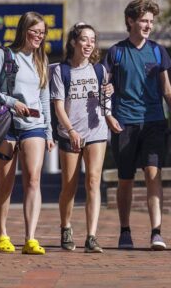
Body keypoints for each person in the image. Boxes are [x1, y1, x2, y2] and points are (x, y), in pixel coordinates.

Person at [103, 0, 171, 250]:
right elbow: (103, 88)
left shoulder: (158, 51)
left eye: (151, 21)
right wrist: (108, 115)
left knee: (153, 174)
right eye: (144, 20)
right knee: (125, 179)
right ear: (130, 21)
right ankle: (125, 230)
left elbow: (168, 90)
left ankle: (156, 232)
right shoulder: (115, 52)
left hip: (154, 122)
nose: (148, 25)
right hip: (124, 123)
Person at [0, 11, 54, 255]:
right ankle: (1, 234)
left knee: (33, 178)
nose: (39, 37)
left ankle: (31, 238)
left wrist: (49, 130)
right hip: (6, 125)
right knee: (6, 183)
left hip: (35, 126)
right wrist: (12, 102)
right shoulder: (4, 54)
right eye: (35, 32)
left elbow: (44, 98)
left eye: (42, 33)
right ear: (23, 30)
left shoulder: (40, 59)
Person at [51, 23, 112, 253]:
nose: (89, 44)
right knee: (69, 186)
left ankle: (92, 236)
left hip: (96, 130)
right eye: (85, 39)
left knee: (93, 182)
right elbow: (58, 106)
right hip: (70, 133)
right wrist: (71, 131)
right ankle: (66, 227)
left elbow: (104, 102)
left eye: (92, 40)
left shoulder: (99, 70)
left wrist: (109, 103)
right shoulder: (60, 71)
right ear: (74, 42)